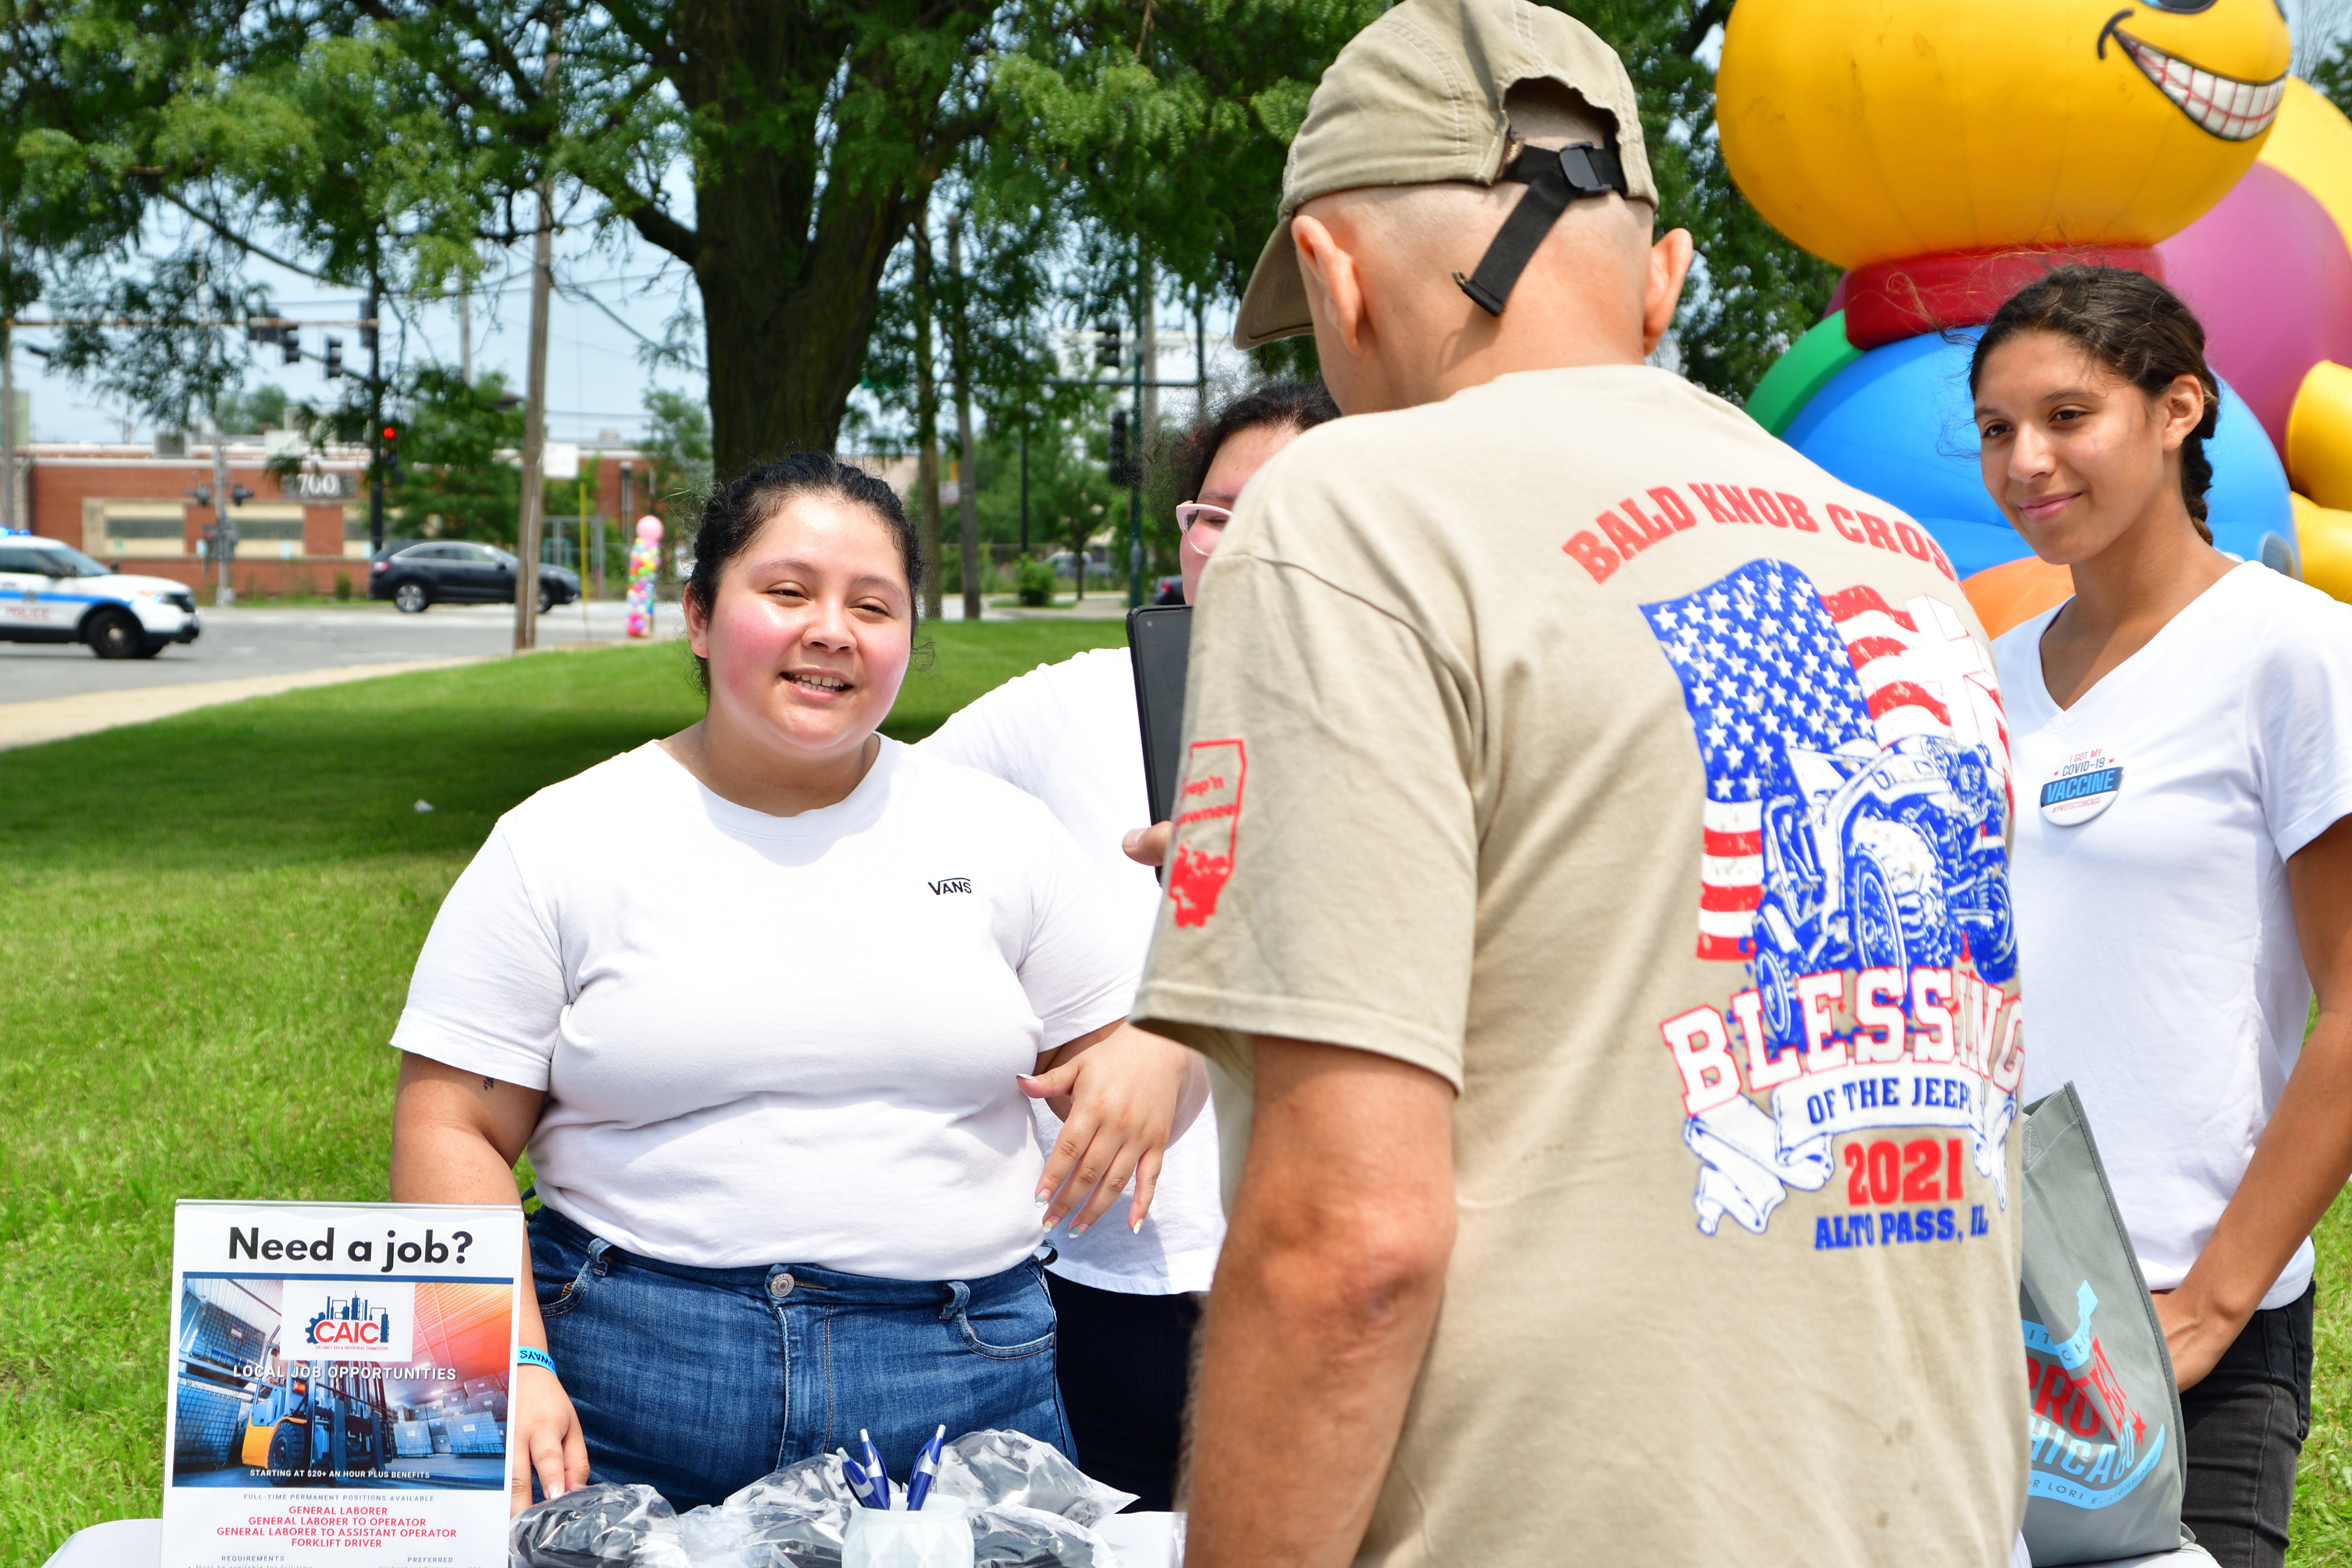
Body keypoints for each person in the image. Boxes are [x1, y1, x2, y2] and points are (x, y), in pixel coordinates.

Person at [1127, 1, 2032, 1563]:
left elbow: (1348, 1244)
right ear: (1659, 276)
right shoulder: (1892, 551)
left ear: (1336, 278)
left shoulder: (1352, 509)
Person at [387, 453, 1206, 1514]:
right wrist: (512, 1366)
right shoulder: (559, 840)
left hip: (962, 1386)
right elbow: (451, 1125)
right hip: (628, 1381)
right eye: (788, 592)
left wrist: (1164, 1043)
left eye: (874, 604)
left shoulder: (1003, 836)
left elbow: (1132, 1074)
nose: (833, 630)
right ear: (698, 614)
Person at [1975, 267, 2352, 1568]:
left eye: (2068, 415)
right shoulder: (1985, 683)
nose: (2027, 460)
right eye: (1996, 429)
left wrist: (2214, 1303)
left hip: (2186, 1324)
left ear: (2179, 406)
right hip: (1986, 1305)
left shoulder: (2291, 653)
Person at [921, 383, 1341, 1510]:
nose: (1246, 543)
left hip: (1331, 1272)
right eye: (1220, 512)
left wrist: (1172, 1026)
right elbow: (877, 811)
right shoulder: (1072, 710)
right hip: (1105, 1282)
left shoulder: (1423, 716)